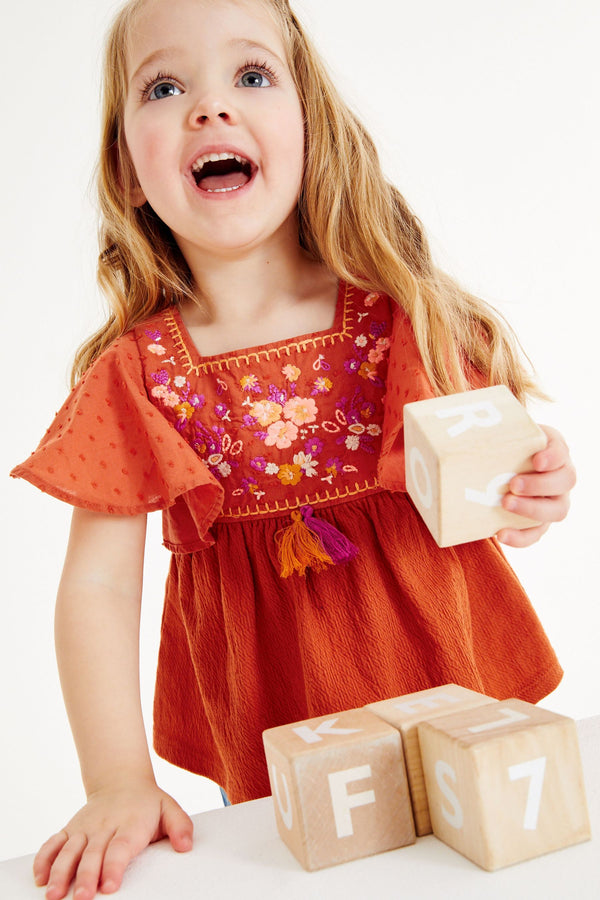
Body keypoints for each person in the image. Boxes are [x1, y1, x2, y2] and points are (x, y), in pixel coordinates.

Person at [10, 0, 576, 897]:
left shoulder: (401, 318)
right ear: (125, 168)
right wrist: (116, 781)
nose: (210, 109)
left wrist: (533, 488)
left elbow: (487, 495)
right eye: (164, 87)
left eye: (251, 75)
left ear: (310, 125)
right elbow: (98, 585)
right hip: (282, 734)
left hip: (459, 702)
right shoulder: (139, 373)